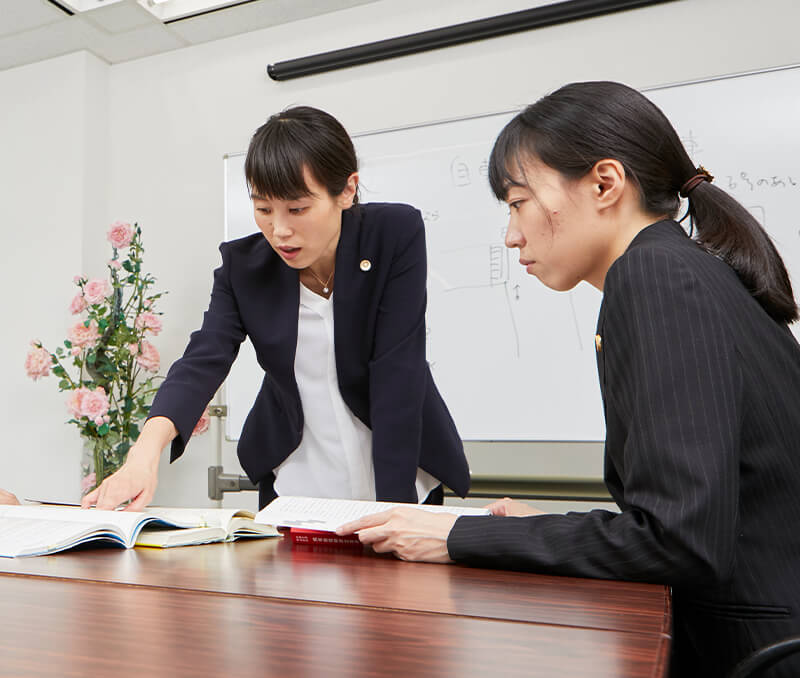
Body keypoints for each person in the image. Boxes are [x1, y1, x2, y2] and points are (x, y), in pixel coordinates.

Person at [336, 82, 800, 677]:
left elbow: (679, 544)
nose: (511, 235)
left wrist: (455, 537)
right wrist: (548, 527)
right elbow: (683, 524)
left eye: (516, 202)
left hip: (756, 655)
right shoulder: (676, 268)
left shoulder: (657, 279)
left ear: (605, 184)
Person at [81, 106, 470, 512]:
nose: (280, 231)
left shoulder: (394, 234)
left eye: (297, 209)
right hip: (299, 484)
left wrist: (397, 513)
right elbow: (204, 359)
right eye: (264, 209)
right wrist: (142, 456)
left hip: (400, 476)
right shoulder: (243, 267)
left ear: (347, 190)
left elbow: (398, 371)